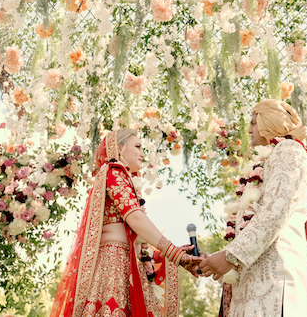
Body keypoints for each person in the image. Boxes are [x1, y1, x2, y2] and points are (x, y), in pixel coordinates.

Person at [199, 99, 307, 317]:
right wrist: (218, 257)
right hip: (252, 282)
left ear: (270, 121)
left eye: (254, 122)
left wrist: (230, 256)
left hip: (277, 279)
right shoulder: (267, 160)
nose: (249, 129)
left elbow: (275, 214)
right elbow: (252, 224)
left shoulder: (289, 151)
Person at [50, 128, 201, 317]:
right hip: (113, 265)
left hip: (128, 266)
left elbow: (138, 248)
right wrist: (173, 253)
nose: (142, 153)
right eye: (137, 146)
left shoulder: (124, 180)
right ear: (119, 149)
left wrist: (172, 254)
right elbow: (136, 218)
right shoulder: (114, 172)